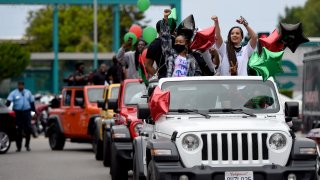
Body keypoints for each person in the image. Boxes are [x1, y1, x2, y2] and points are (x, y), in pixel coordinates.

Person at [6, 81, 36, 152]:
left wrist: (34, 112)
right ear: (18, 86)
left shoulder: (28, 92)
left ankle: (27, 145)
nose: (20, 86)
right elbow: (8, 102)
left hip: (27, 112)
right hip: (17, 113)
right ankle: (18, 146)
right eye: (19, 85)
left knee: (28, 129)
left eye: (22, 85)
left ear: (23, 86)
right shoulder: (13, 93)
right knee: (18, 130)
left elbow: (32, 103)